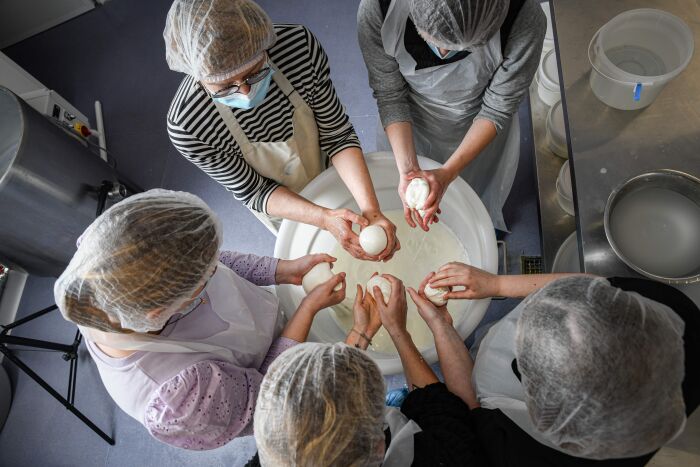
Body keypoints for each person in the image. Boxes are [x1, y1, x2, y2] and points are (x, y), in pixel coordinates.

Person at [53, 189, 350, 450]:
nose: (214, 268)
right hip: (282, 390)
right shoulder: (183, 404)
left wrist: (284, 270)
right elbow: (271, 395)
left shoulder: (109, 268)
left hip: (266, 338)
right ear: (159, 312)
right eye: (205, 275)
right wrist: (307, 310)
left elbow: (203, 261)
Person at [163, 0, 398, 261]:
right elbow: (255, 190)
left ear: (264, 47)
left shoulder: (298, 48)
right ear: (198, 74)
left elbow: (337, 135)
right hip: (279, 200)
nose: (245, 91)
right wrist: (323, 218)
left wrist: (372, 211)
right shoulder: (188, 125)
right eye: (225, 86)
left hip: (331, 167)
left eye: (254, 72)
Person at [426, 264, 700, 465]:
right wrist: (497, 285)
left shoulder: (517, 456)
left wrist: (440, 325)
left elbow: (470, 405)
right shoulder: (678, 319)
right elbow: (594, 289)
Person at [248, 274, 488, 466]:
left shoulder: (280, 448)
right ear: (378, 445)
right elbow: (440, 407)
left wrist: (361, 332)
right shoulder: (450, 454)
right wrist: (398, 330)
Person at [358, 0, 546, 232]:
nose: (445, 54)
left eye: (464, 48)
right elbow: (390, 94)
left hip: (478, 122)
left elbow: (497, 107)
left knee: (473, 190)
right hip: (409, 122)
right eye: (433, 41)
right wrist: (407, 168)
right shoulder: (379, 9)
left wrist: (448, 173)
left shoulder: (524, 19)